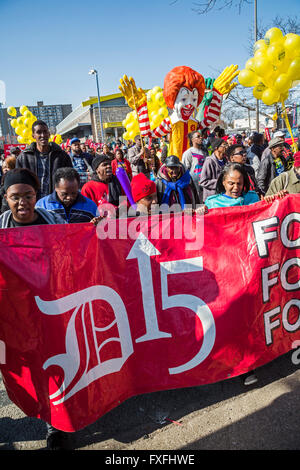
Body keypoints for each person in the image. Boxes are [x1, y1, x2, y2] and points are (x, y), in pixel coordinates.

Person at [15, 120, 72, 200]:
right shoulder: (23, 158)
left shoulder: (62, 156)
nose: (43, 135)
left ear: (49, 134)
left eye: (45, 131)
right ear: (33, 136)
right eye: (39, 132)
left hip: (56, 203)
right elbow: (18, 184)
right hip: (32, 204)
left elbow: (70, 180)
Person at [0, 168, 65, 228]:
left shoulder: (56, 221)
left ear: (35, 195)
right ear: (6, 198)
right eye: (15, 198)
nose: (23, 203)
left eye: (28, 197)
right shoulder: (2, 225)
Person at [182, 130, 207, 202]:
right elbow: (185, 170)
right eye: (198, 137)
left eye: (201, 136)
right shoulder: (188, 153)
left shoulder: (204, 152)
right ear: (192, 140)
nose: (201, 138)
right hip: (194, 185)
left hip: (205, 183)